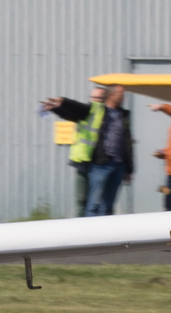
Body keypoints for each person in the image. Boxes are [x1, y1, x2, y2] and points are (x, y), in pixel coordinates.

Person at [42, 84, 132, 216]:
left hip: (108, 163)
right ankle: (85, 232)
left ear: (105, 97)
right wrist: (61, 104)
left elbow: (127, 142)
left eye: (99, 98)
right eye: (93, 98)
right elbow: (75, 112)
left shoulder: (116, 114)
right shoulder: (93, 110)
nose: (95, 101)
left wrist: (129, 168)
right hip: (89, 162)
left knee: (106, 203)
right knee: (86, 202)